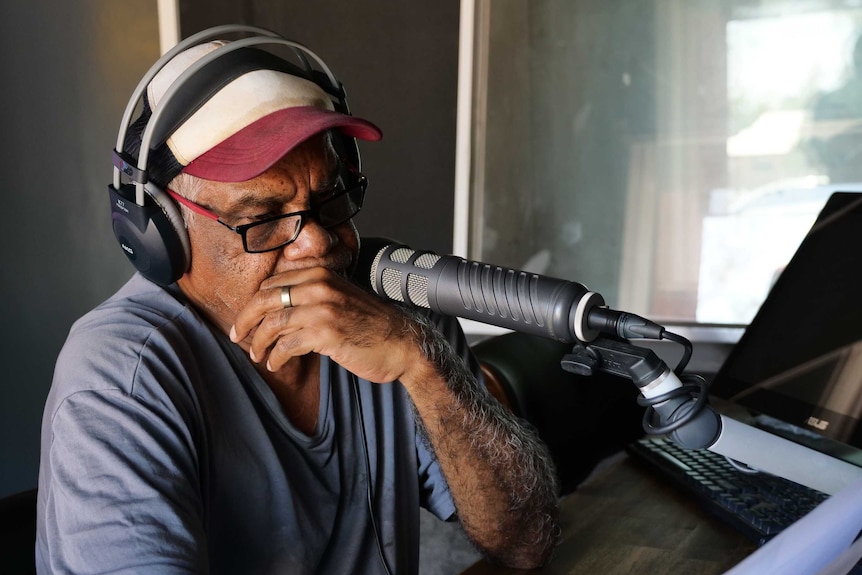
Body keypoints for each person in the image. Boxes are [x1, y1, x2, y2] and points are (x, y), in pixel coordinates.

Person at [35, 28, 560, 574]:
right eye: (261, 218)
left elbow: (526, 542)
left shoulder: (397, 316)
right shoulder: (119, 377)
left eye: (330, 198)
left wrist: (424, 365)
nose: (317, 242)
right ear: (160, 232)